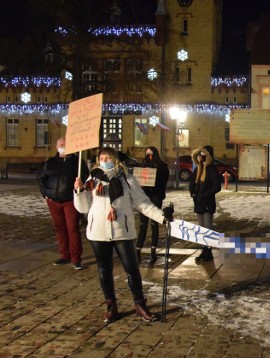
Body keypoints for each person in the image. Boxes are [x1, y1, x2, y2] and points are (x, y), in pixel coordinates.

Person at [73, 147, 174, 323]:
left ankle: (140, 305)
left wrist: (162, 217)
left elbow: (143, 203)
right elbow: (83, 208)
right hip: (98, 231)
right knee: (104, 269)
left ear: (115, 159)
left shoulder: (127, 178)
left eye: (108, 156)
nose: (104, 159)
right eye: (101, 157)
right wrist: (80, 191)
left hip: (123, 231)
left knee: (132, 269)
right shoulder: (92, 179)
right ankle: (111, 306)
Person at [39, 137, 89, 270]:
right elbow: (42, 178)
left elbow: (85, 177)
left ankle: (76, 258)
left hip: (70, 200)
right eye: (61, 145)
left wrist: (81, 185)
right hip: (53, 200)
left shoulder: (77, 162)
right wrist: (45, 193)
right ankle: (65, 255)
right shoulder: (51, 162)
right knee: (60, 228)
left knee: (72, 228)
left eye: (66, 144)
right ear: (56, 147)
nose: (64, 147)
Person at [135, 146, 170, 264]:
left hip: (156, 196)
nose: (149, 155)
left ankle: (153, 250)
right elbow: (138, 178)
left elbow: (163, 179)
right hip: (144, 197)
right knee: (143, 225)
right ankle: (138, 250)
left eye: (151, 153)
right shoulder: (143, 164)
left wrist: (154, 173)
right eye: (147, 153)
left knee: (154, 224)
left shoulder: (162, 166)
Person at [189, 145, 222, 262]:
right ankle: (203, 250)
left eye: (201, 155)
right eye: (198, 155)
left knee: (207, 228)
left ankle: (208, 252)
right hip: (198, 203)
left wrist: (204, 194)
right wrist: (193, 193)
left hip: (207, 203)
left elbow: (217, 187)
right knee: (201, 229)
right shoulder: (198, 168)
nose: (199, 157)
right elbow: (192, 183)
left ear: (206, 156)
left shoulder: (211, 169)